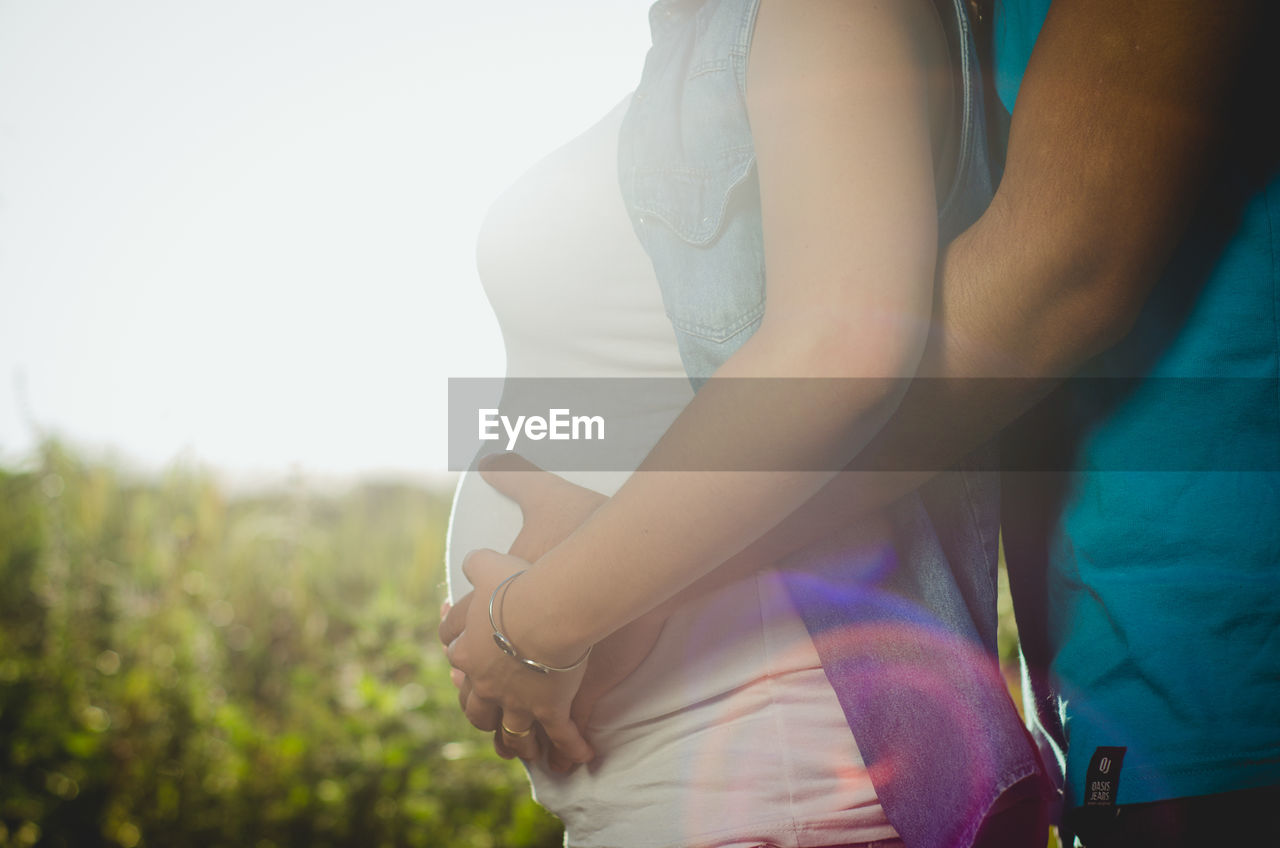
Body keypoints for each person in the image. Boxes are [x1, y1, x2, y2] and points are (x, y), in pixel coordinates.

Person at [451, 0, 1280, 844]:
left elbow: (999, 294)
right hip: (1108, 670)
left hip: (1197, 670)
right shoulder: (703, 63)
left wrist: (571, 602)